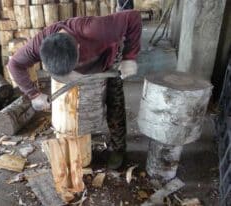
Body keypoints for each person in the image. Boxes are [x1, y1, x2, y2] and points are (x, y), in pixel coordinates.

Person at [8, 10, 142, 169]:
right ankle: (84, 136)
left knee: (115, 102)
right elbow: (14, 64)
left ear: (78, 47)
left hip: (106, 61)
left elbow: (133, 17)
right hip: (80, 67)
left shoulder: (97, 29)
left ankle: (118, 148)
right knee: (76, 106)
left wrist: (129, 57)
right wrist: (34, 94)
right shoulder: (39, 42)